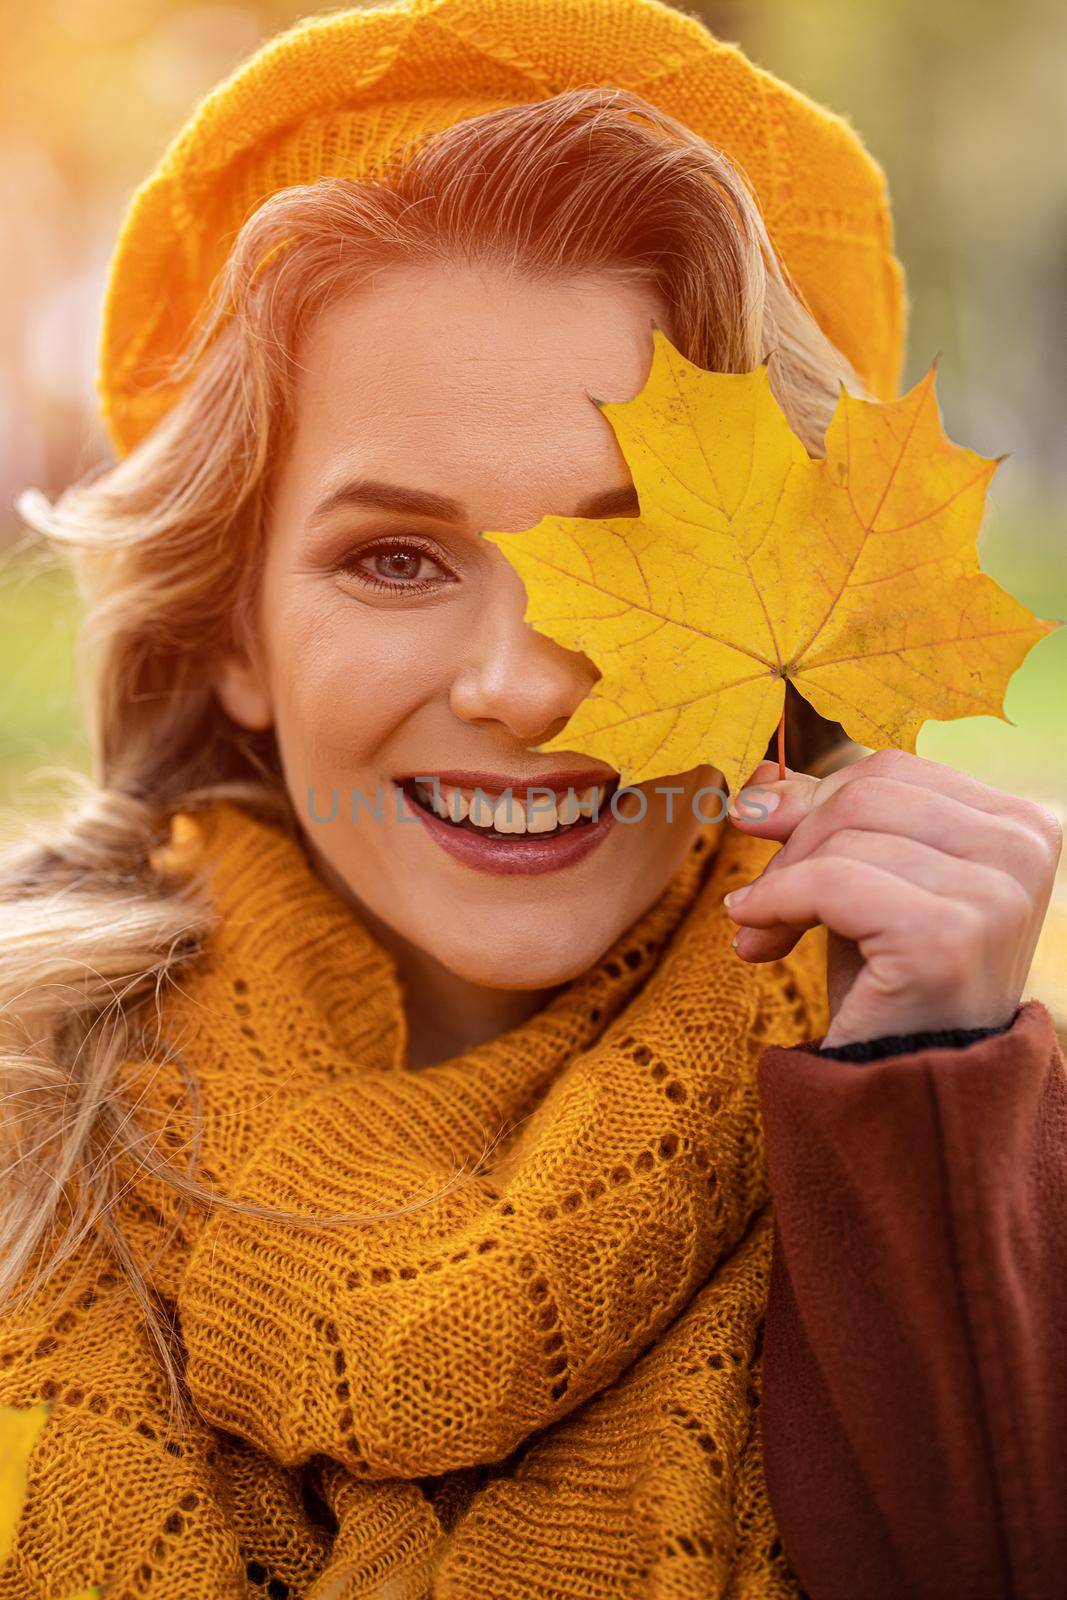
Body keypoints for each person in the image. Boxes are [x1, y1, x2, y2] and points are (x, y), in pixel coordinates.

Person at [1, 1, 1064, 1596]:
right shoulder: (26, 1140)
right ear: (231, 630)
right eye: (397, 559)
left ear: (792, 621)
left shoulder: (955, 1144)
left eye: (629, 559)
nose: (525, 685)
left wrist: (929, 1115)